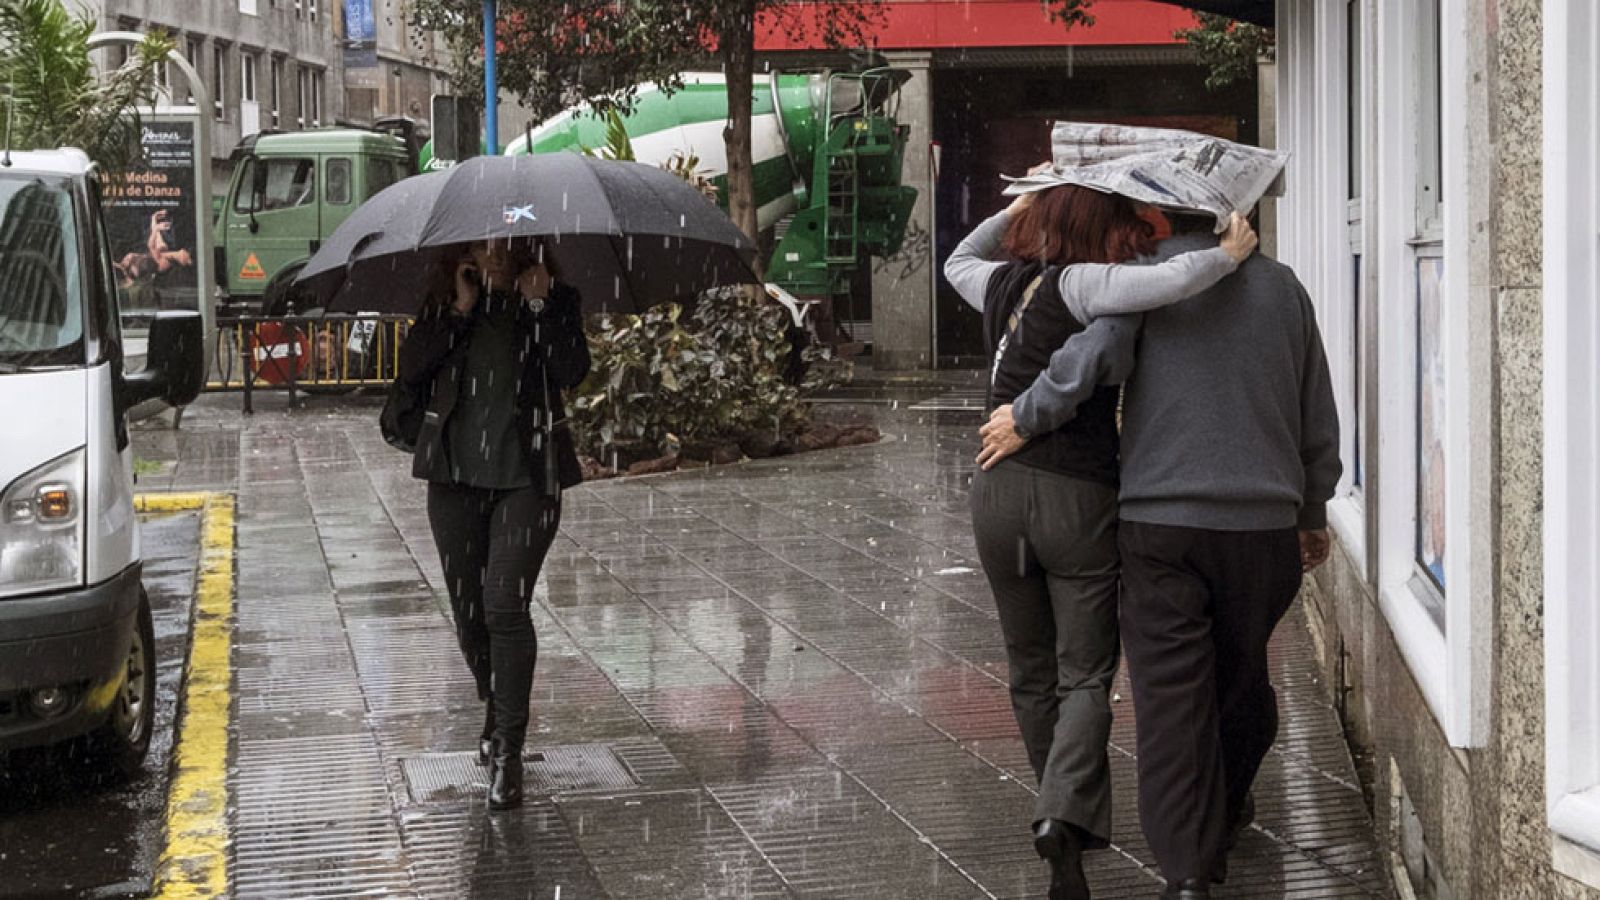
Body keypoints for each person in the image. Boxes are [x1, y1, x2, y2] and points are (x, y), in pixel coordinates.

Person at [979, 211, 1341, 899]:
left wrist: (1026, 413)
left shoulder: (1143, 283)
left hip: (1159, 527)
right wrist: (1313, 508)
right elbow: (1313, 407)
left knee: (1174, 706)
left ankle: (1187, 875)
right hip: (1263, 529)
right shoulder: (1285, 288)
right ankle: (1227, 806)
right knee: (1240, 685)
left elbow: (1096, 358)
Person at [944, 186, 1257, 900]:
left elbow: (959, 255)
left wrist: (1018, 205)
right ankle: (1059, 811)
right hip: (1074, 495)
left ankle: (1065, 828)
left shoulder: (997, 282)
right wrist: (1229, 255)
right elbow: (1169, 280)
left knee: (1029, 670)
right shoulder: (1085, 284)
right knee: (1083, 673)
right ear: (1096, 227)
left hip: (994, 493)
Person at [396, 238, 590, 811]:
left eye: (507, 245)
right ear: (468, 253)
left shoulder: (553, 299)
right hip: (454, 481)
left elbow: (572, 369)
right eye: (485, 247)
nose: (496, 256)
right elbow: (410, 371)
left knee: (504, 604)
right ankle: (496, 700)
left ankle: (508, 747)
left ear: (528, 248)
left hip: (528, 481)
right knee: (470, 616)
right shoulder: (447, 302)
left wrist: (539, 305)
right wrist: (457, 308)